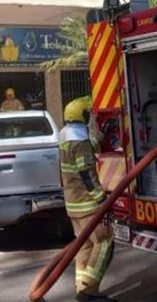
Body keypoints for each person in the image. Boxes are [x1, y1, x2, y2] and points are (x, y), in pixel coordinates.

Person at [59, 97, 116, 302]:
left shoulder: (66, 138)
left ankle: (81, 288)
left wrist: (101, 138)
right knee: (104, 242)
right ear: (83, 116)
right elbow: (87, 174)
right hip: (87, 205)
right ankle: (90, 291)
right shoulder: (81, 144)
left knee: (85, 245)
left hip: (73, 204)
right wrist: (102, 200)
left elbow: (88, 146)